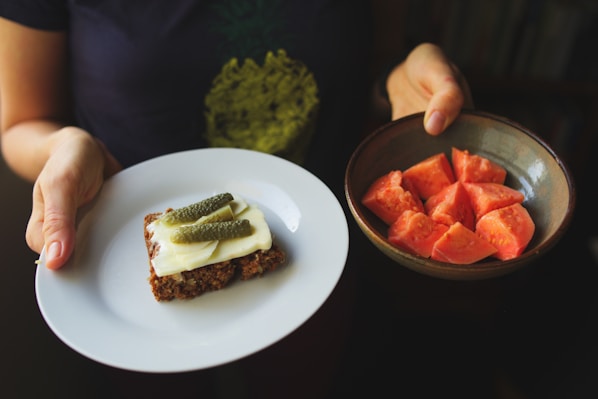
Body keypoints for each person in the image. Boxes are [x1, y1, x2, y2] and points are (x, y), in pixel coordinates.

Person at [0, 1, 473, 397]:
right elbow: (20, 123)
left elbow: (377, 68)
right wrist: (61, 148)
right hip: (120, 283)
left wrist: (401, 78)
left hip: (319, 252)